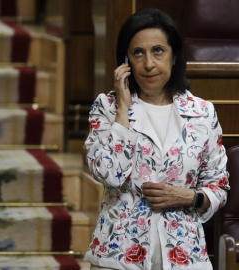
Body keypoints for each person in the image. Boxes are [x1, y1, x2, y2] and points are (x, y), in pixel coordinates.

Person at [84, 8, 230, 270]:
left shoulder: (202, 112)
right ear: (125, 61)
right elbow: (110, 173)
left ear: (174, 56)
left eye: (158, 51)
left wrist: (186, 196)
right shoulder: (107, 108)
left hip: (186, 257)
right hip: (117, 257)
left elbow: (218, 187)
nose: (149, 63)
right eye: (138, 53)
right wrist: (123, 109)